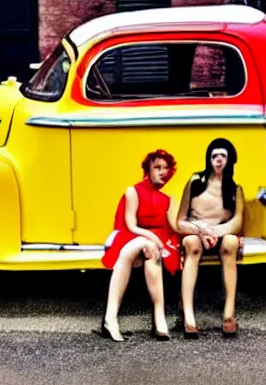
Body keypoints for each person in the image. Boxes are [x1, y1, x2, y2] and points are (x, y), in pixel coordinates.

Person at [101, 149, 181, 342]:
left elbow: (175, 227)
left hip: (152, 243)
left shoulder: (167, 199)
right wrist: (152, 238)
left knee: (151, 252)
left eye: (166, 168)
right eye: (157, 167)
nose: (162, 172)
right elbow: (130, 225)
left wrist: (202, 229)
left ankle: (158, 317)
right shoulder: (133, 191)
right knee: (144, 246)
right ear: (148, 170)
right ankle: (111, 318)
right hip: (130, 235)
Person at [176, 138, 244, 339]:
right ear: (209, 159)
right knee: (190, 244)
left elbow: (237, 222)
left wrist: (215, 232)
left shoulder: (235, 188)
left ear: (229, 160)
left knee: (231, 243)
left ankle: (228, 315)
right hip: (198, 234)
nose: (219, 160)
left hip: (221, 236)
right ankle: (189, 318)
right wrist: (200, 231)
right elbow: (180, 221)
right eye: (214, 156)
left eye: (223, 156)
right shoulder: (195, 182)